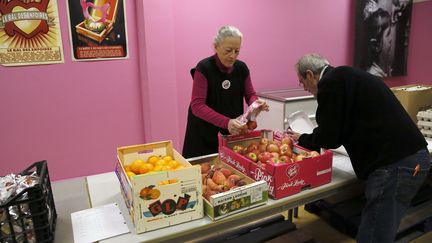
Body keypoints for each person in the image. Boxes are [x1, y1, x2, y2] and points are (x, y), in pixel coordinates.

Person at [289, 53, 430, 242]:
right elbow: (342, 126)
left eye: (302, 82)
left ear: (310, 75)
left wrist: (303, 139)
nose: (304, 88)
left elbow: (330, 137)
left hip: (395, 165)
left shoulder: (330, 83)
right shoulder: (346, 76)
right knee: (380, 230)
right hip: (412, 159)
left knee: (373, 236)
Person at [182, 25, 268, 159]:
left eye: (237, 51)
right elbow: (197, 106)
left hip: (230, 130)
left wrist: (255, 103)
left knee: (229, 171)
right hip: (203, 133)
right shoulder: (203, 68)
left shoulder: (242, 68)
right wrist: (227, 122)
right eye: (228, 50)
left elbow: (250, 94)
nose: (233, 56)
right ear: (216, 46)